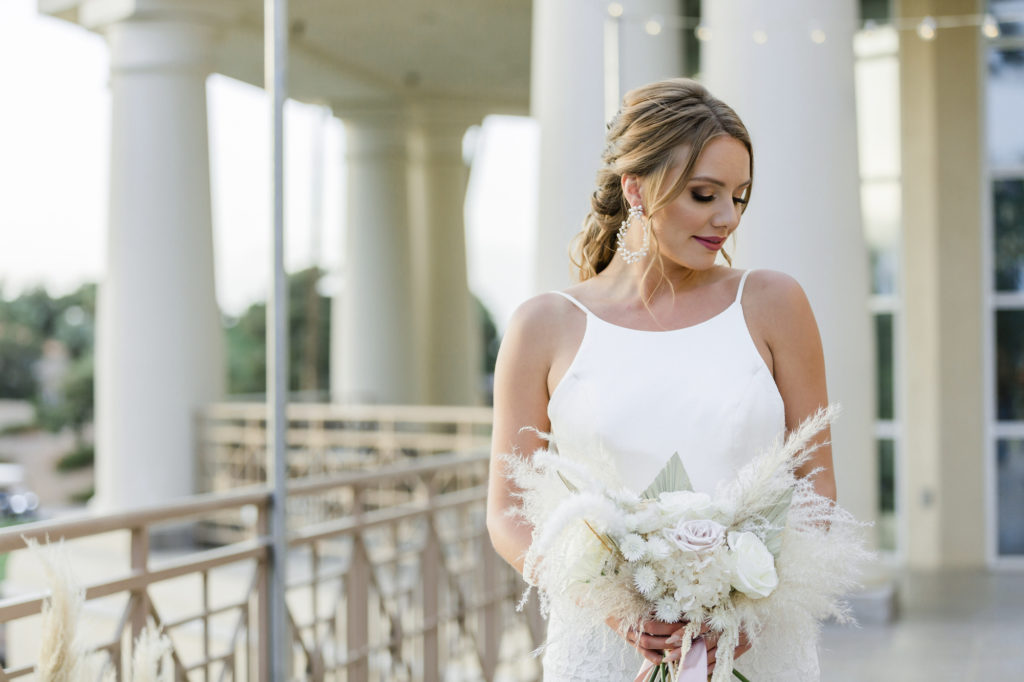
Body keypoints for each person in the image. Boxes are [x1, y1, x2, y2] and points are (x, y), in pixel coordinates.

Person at [486, 78, 836, 681]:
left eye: (740, 196)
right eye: (705, 194)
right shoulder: (543, 326)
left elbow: (817, 492)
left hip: (755, 645)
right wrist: (616, 611)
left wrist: (748, 607)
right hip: (603, 649)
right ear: (636, 188)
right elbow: (508, 516)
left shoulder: (775, 303)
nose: (727, 218)